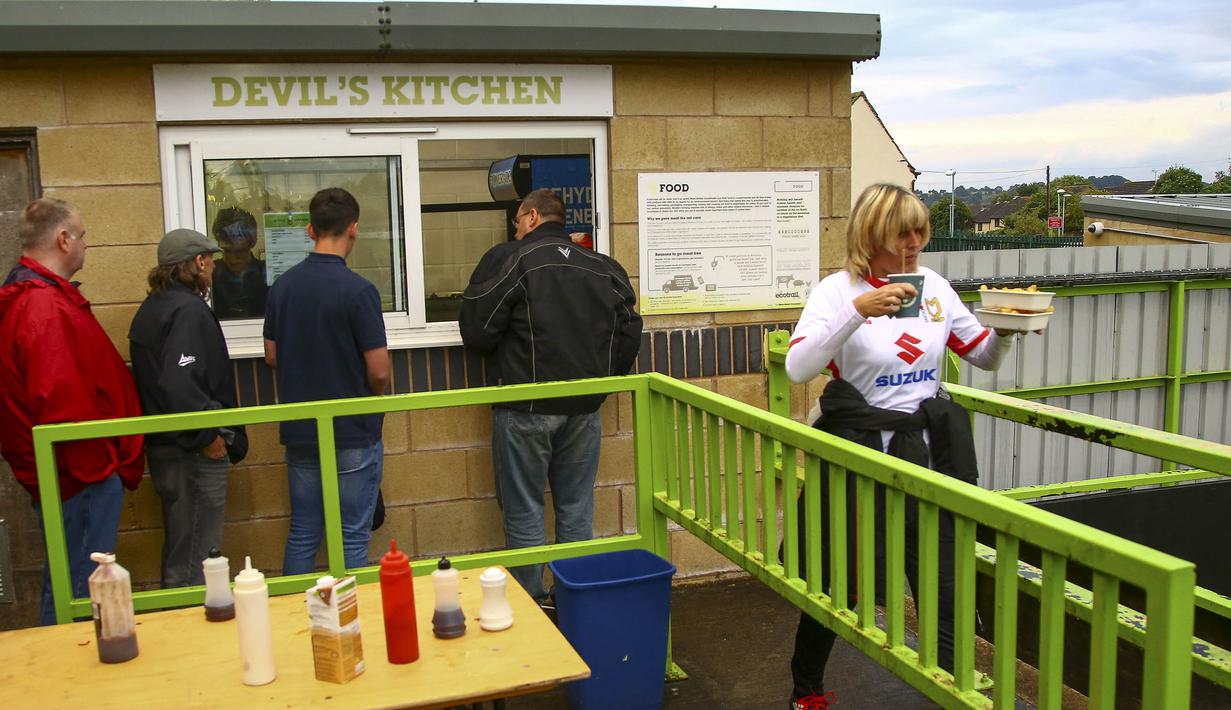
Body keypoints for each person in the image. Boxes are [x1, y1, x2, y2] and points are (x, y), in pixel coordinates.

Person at [782, 184, 1018, 709]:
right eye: (902, 231)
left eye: (920, 230)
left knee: (942, 579)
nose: (915, 242)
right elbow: (799, 368)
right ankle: (807, 691)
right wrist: (858, 312)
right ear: (871, 234)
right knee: (835, 580)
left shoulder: (933, 285)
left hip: (929, 456)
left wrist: (1009, 329)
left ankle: (953, 691)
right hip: (857, 456)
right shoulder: (836, 292)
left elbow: (983, 355)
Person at [459, 188, 642, 603]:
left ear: (532, 217)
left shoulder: (510, 258)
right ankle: (573, 600)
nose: (516, 229)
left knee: (524, 510)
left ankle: (531, 606)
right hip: (583, 408)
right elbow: (631, 328)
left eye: (518, 220)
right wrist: (604, 378)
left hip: (524, 407)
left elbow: (477, 330)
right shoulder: (603, 266)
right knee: (576, 511)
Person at [0, 198, 144, 624]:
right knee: (80, 587)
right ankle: (69, 675)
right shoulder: (42, 306)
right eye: (83, 236)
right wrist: (101, 467)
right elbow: (61, 403)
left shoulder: (43, 299)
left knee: (72, 582)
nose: (85, 246)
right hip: (80, 476)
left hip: (76, 473)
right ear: (64, 239)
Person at [263, 188, 389, 574]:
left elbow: (272, 355)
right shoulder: (359, 291)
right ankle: (347, 625)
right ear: (353, 230)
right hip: (351, 430)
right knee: (351, 533)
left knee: (303, 530)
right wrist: (369, 397)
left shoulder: (282, 287)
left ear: (309, 229)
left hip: (302, 430)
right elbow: (380, 370)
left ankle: (293, 622)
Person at [129, 228, 249, 588]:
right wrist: (207, 436)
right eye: (210, 260)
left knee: (182, 546)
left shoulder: (153, 307)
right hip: (191, 452)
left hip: (167, 447)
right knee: (198, 554)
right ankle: (189, 630)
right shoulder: (187, 311)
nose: (213, 268)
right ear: (199, 262)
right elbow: (180, 384)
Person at [210, 207, 268, 319]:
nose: (232, 259)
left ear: (253, 242)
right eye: (226, 251)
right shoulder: (211, 274)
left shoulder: (267, 273)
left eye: (239, 251)